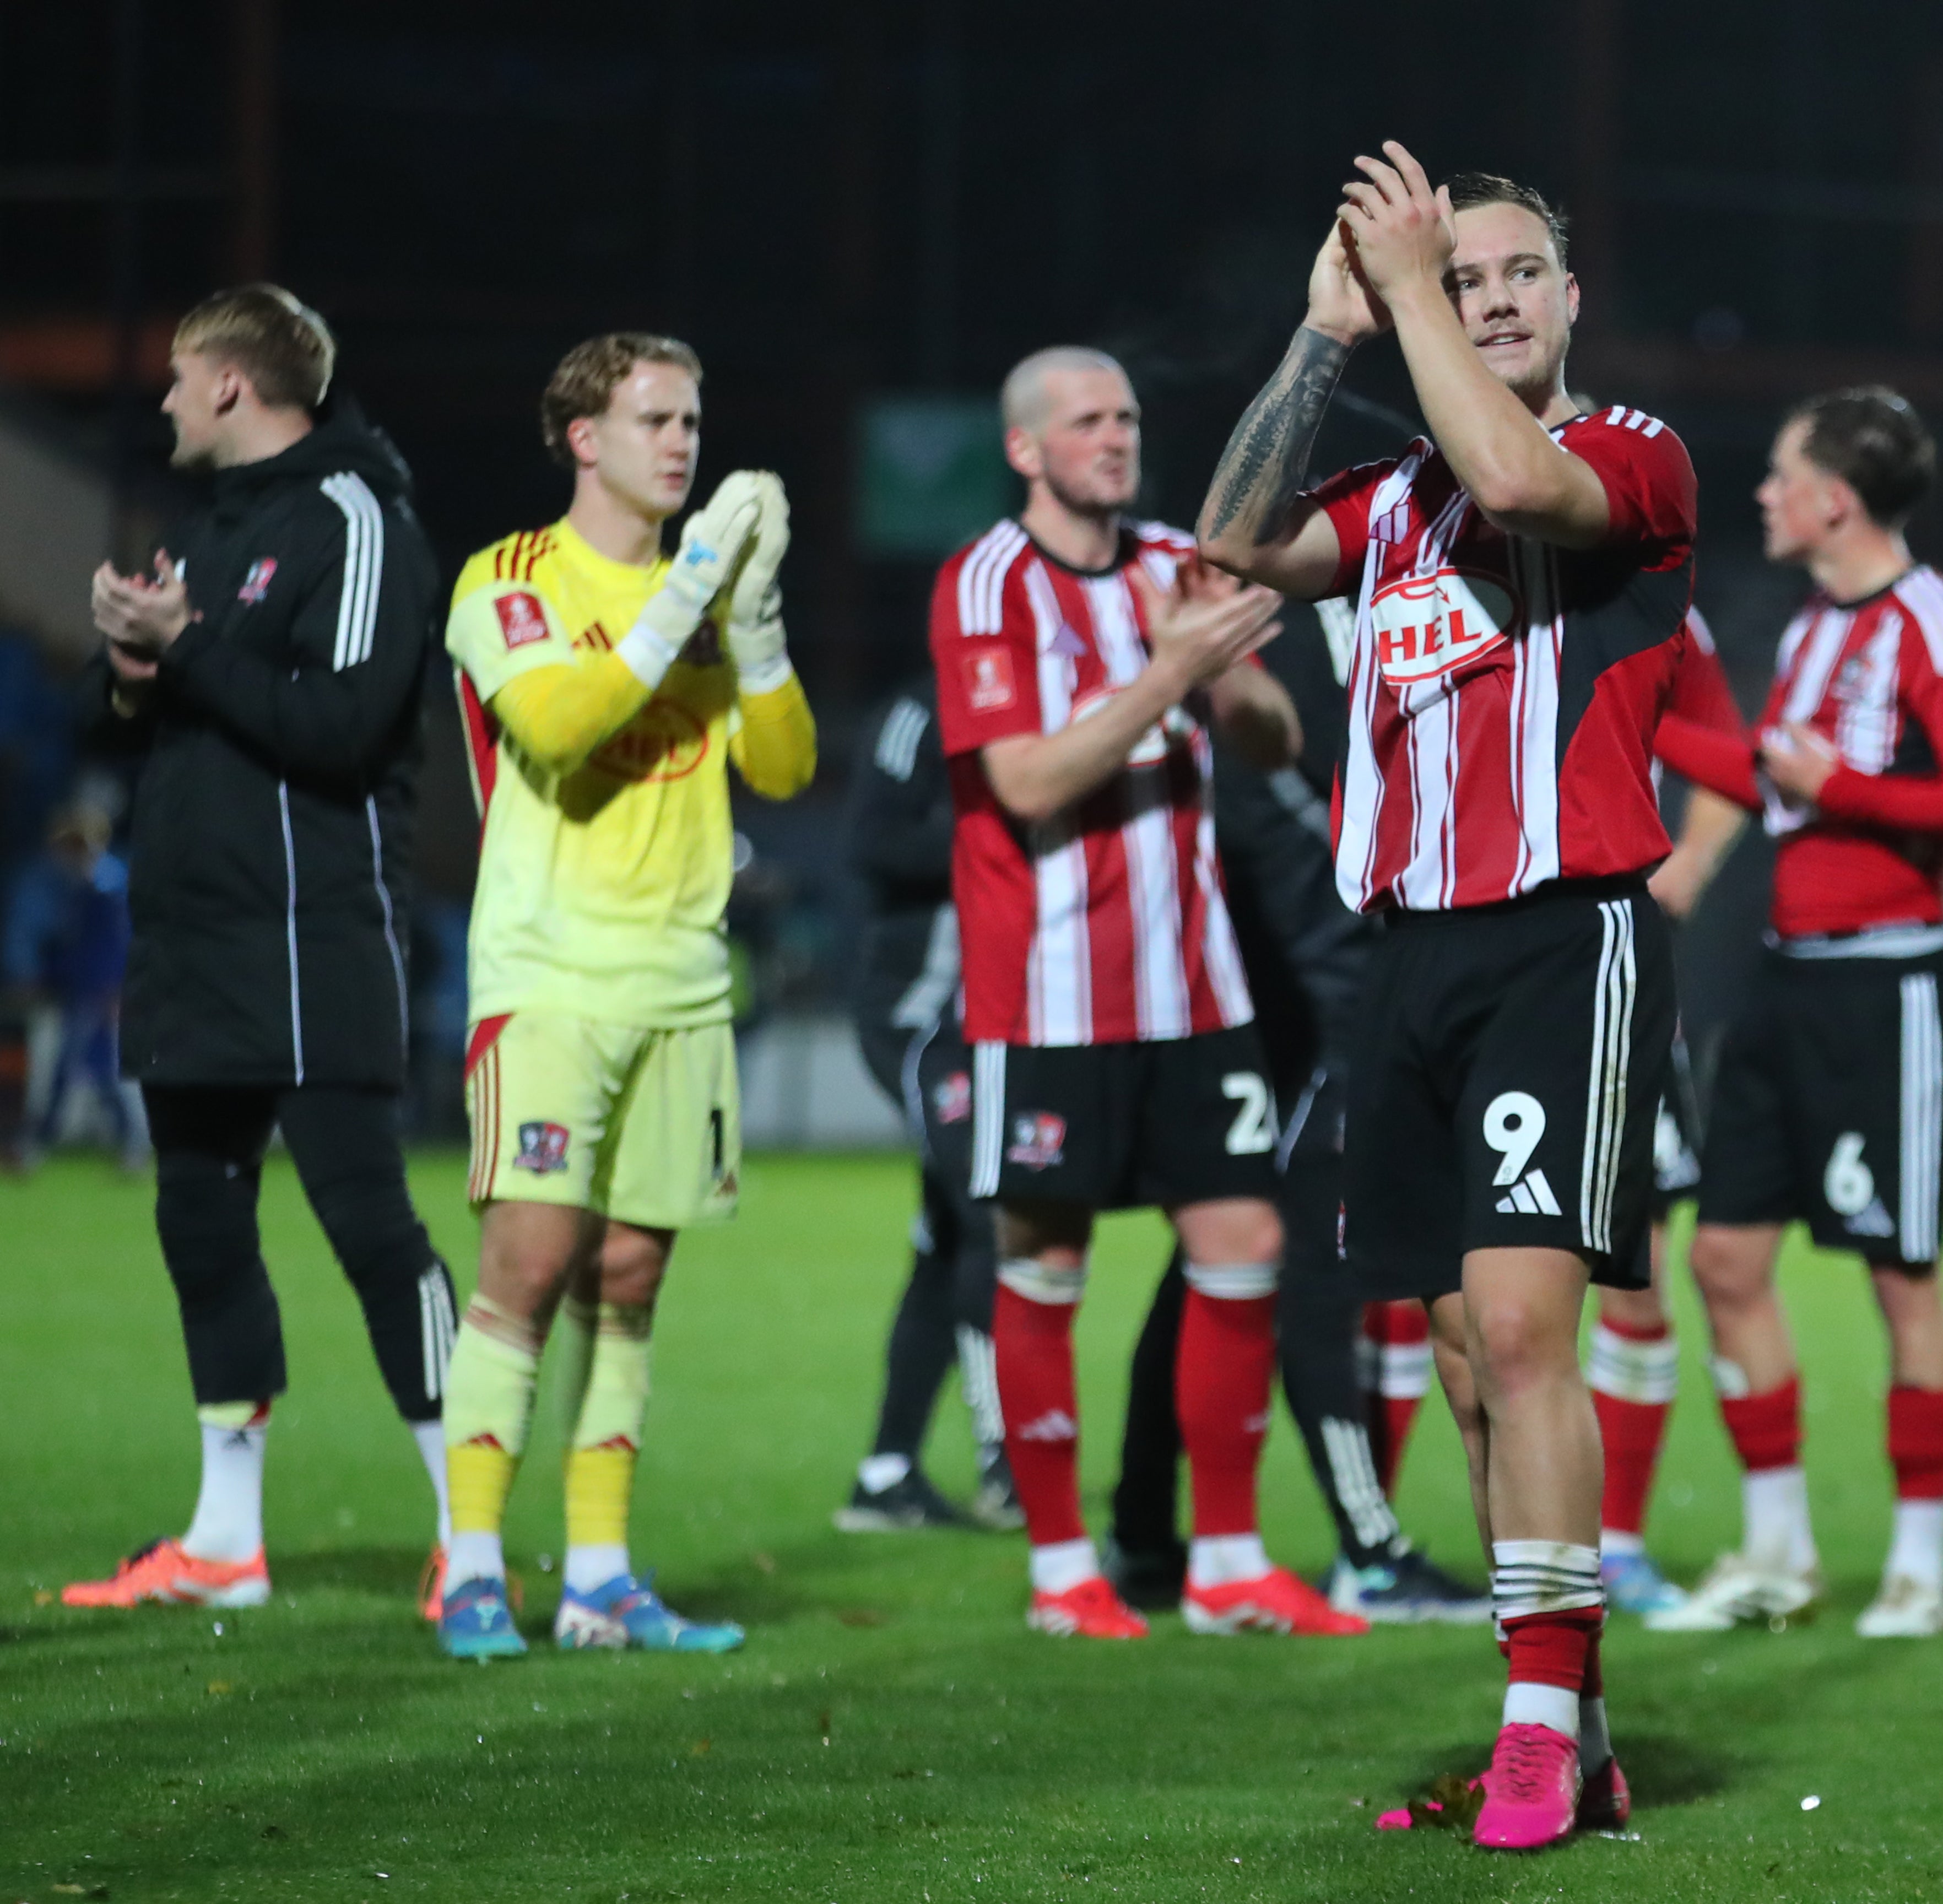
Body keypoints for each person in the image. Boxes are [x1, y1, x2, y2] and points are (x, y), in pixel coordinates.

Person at [1200, 149, 1697, 1851]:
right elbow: (1233, 540)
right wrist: (1319, 336)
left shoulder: (1631, 456)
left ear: (1570, 301)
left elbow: (1518, 479)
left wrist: (1407, 290)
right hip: (1407, 957)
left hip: (1562, 941)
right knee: (1466, 1364)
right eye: (1461, 273)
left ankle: (1539, 1735)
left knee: (1526, 1332)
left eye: (1513, 274)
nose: (1487, 296)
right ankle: (1575, 1724)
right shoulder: (1395, 495)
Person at [932, 343, 1361, 1642]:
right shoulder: (985, 583)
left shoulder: (1183, 553)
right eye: (1086, 420)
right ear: (1026, 448)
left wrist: (1224, 669)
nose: (1116, 437)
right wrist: (1171, 668)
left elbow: (1279, 741)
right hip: (1049, 993)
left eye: (1125, 415)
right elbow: (1024, 781)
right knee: (1046, 1259)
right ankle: (1064, 1568)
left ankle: (1227, 1558)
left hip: (1195, 983)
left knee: (1245, 1246)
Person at [61, 284, 462, 1616]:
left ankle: (471, 1525)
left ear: (233, 384)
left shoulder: (359, 520)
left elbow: (348, 726)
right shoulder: (205, 532)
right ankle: (224, 1540)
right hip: (190, 940)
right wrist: (134, 668)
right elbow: (163, 727)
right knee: (200, 1223)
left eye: (180, 376)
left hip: (308, 933)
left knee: (369, 1225)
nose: (166, 400)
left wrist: (190, 645)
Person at [431, 332, 816, 1659]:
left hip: (682, 987)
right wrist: (690, 587)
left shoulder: (703, 595)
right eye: (653, 417)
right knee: (528, 1264)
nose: (681, 443)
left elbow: (782, 767)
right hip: (548, 977)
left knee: (630, 1277)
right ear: (581, 436)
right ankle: (471, 1562)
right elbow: (556, 726)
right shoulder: (511, 577)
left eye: (693, 420)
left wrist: (750, 625)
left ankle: (600, 1577)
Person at [1648, 385, 1943, 1640]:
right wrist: (1626, 709)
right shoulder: (1815, 627)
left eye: (1776, 474)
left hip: (1890, 989)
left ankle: (1915, 1566)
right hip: (1783, 976)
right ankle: (1778, 1548)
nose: (1760, 493)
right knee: (1721, 1257)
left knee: (1899, 1276)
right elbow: (1771, 777)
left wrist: (1847, 785)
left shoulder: (1936, 623)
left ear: (1833, 498)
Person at [1103, 595, 1490, 1627]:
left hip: (1283, 1034)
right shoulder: (1282, 709)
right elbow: (1328, 885)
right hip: (1334, 1040)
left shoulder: (1288, 705)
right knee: (1308, 1281)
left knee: (1216, 1267)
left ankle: (1142, 1532)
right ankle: (1368, 1550)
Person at [1582, 607, 1749, 1620]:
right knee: (1459, 1292)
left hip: (1615, 981)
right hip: (1464, 965)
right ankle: (1391, 1551)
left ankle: (1614, 1547)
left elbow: (1728, 762)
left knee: (1633, 1273)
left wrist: (1678, 875)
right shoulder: (1434, 558)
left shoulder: (1656, 603)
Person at [831, 670, 1019, 1533]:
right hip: (916, 1014)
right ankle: (1004, 1461)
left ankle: (886, 1474)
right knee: (989, 1212)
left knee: (946, 1238)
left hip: (989, 1016)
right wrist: (1001, 815)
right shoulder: (920, 707)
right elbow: (872, 842)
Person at [6, 800, 144, 1169]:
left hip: (97, 994)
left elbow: (116, 946)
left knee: (75, 1071)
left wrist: (116, 989)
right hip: (84, 991)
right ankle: (130, 1144)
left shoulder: (107, 888)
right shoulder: (88, 887)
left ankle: (38, 1145)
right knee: (96, 1072)